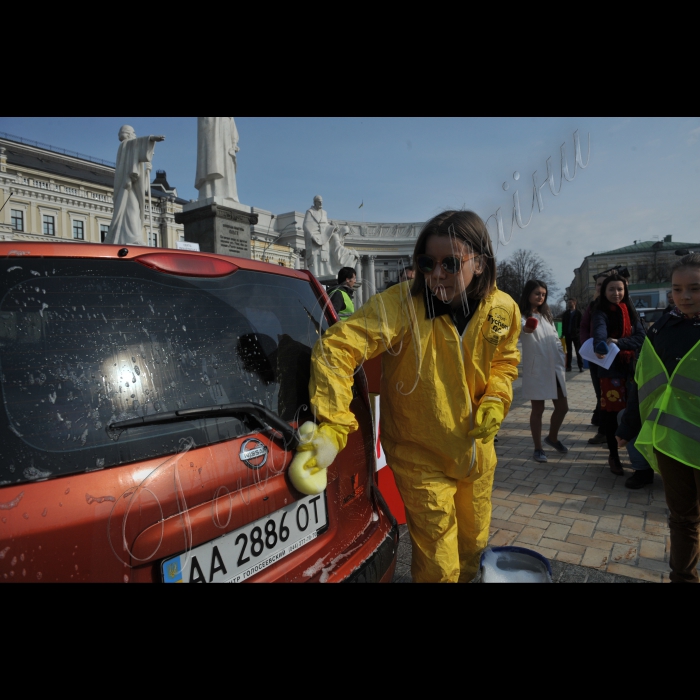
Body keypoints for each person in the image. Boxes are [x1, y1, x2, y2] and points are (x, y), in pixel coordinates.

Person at [294, 210, 520, 582]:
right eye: (427, 263)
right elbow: (337, 347)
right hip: (420, 456)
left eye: (450, 263)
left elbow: (505, 362)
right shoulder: (400, 305)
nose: (437, 274)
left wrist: (496, 399)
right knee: (439, 565)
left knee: (473, 546)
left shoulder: (503, 309)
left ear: (479, 263)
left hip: (478, 455)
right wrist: (333, 425)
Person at [617, 253, 700, 582]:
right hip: (673, 442)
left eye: (695, 288)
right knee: (682, 519)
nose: (686, 297)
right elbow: (642, 379)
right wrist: (628, 425)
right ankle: (683, 578)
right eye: (678, 290)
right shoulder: (662, 328)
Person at [592, 272, 645, 476]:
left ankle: (637, 456)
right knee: (611, 414)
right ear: (604, 291)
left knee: (633, 411)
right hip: (610, 371)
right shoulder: (601, 311)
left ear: (625, 290)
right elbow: (599, 333)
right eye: (612, 289)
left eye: (620, 289)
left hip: (631, 368)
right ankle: (614, 456)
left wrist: (618, 342)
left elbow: (641, 337)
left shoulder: (630, 311)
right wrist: (601, 344)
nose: (616, 293)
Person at [519, 280, 569, 463]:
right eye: (537, 293)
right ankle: (538, 448)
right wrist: (527, 328)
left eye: (543, 294)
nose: (541, 297)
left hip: (554, 367)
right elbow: (521, 331)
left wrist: (562, 352)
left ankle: (552, 438)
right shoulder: (521, 315)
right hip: (537, 368)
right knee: (538, 410)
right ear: (528, 295)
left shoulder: (546, 314)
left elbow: (555, 337)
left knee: (563, 407)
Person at [104, 126, 165, 246]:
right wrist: (151, 138)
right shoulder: (125, 145)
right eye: (133, 132)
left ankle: (133, 237)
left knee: (135, 212)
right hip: (127, 188)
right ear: (127, 134)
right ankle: (132, 238)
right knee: (132, 211)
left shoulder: (127, 148)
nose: (135, 135)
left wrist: (147, 172)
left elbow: (144, 186)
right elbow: (136, 144)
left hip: (131, 186)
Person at [303, 195, 359, 278]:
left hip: (324, 237)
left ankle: (330, 270)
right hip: (315, 239)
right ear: (315, 202)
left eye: (322, 201)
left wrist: (332, 228)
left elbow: (326, 225)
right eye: (319, 201)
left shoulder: (324, 212)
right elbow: (306, 225)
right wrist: (313, 235)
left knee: (325, 255)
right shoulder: (310, 212)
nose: (321, 203)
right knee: (317, 257)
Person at [580, 275, 606, 444]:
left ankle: (610, 428)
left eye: (605, 284)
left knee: (612, 394)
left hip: (616, 357)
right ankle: (603, 429)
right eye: (598, 284)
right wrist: (586, 346)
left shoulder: (621, 305)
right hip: (596, 358)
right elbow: (583, 327)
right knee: (600, 394)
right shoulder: (592, 306)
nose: (600, 287)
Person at [195, 117, 240, 204]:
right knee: (211, 159)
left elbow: (231, 121)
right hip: (210, 128)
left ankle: (228, 194)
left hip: (224, 129)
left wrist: (234, 142)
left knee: (225, 159)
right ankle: (208, 193)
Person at [561, 298, 583, 372]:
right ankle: (568, 367)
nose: (569, 304)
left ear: (574, 303)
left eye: (570, 302)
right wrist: (563, 333)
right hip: (568, 334)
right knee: (569, 351)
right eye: (568, 302)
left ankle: (580, 366)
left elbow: (581, 324)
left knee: (578, 351)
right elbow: (563, 324)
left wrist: (578, 332)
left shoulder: (578, 313)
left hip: (576, 335)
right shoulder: (566, 313)